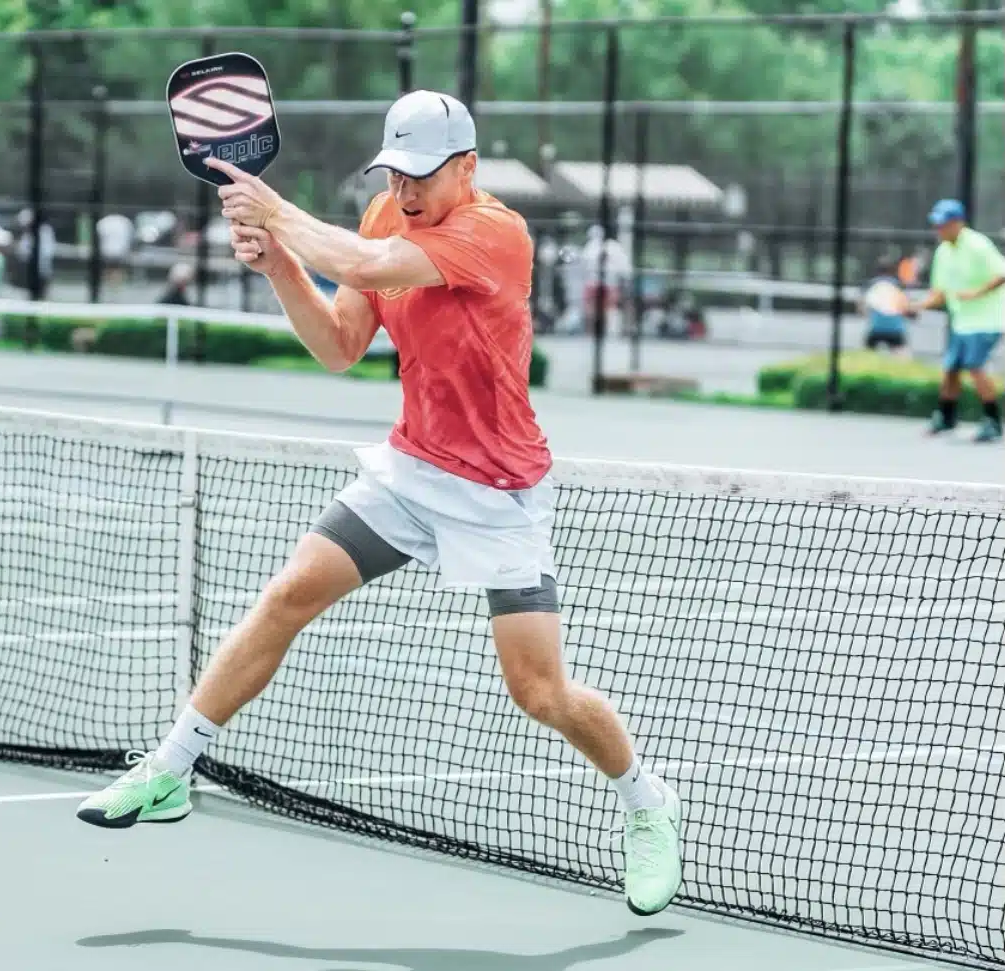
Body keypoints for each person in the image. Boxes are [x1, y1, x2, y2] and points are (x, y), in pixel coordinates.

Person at [76, 90, 684, 917]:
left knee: (540, 693)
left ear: (466, 168)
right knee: (287, 592)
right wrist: (277, 264)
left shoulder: (494, 234)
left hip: (498, 493)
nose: (404, 193)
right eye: (394, 174)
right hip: (410, 473)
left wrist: (274, 212)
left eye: (422, 176)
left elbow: (368, 268)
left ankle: (648, 803)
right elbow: (338, 344)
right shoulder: (378, 214)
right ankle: (170, 769)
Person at [907, 199, 1003, 443]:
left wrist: (976, 293)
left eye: (945, 224)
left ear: (959, 223)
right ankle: (945, 418)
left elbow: (1002, 273)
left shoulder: (978, 244)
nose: (939, 229)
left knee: (974, 366)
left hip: (987, 321)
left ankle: (993, 422)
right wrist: (916, 306)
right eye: (937, 224)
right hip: (961, 322)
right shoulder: (943, 251)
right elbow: (939, 293)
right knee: (951, 369)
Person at [859, 255, 910, 354]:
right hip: (896, 328)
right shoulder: (898, 285)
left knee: (866, 354)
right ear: (893, 271)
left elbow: (861, 306)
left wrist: (868, 315)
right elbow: (905, 306)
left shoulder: (870, 284)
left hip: (876, 327)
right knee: (902, 357)